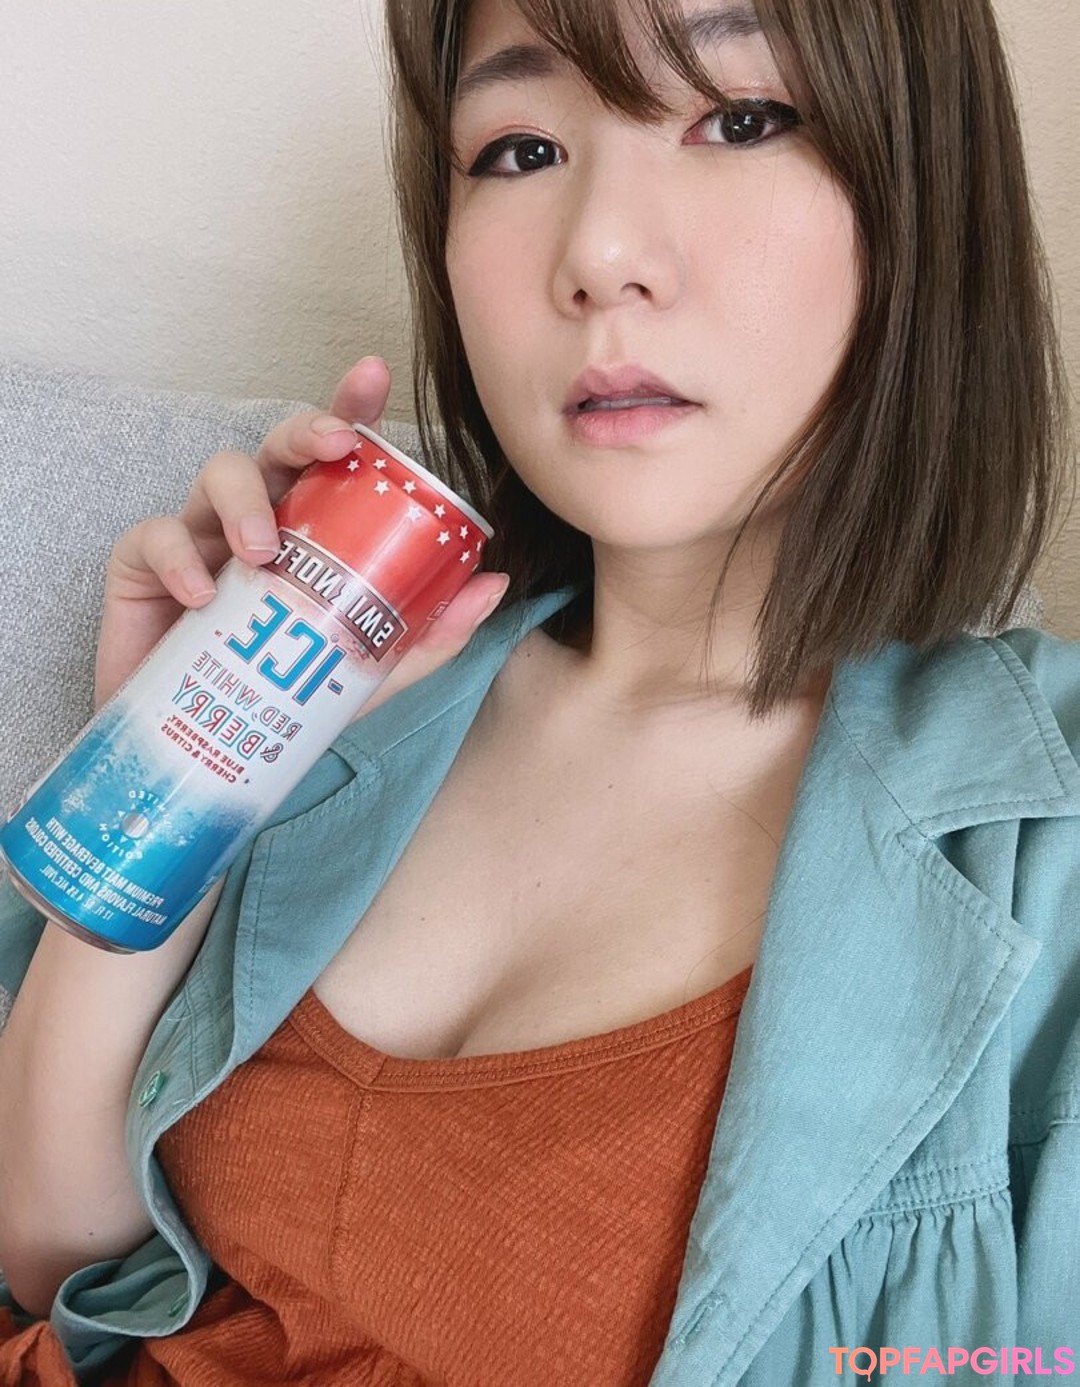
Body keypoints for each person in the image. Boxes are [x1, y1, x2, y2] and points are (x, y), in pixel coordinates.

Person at [0, 0, 1077, 1381]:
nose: (599, 254)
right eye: (519, 150)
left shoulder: (1041, 850)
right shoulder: (354, 683)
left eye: (741, 120)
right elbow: (58, 1265)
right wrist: (165, 788)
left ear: (924, 195)